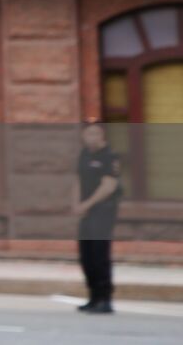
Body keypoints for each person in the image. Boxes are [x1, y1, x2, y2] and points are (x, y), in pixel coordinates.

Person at [75, 120, 121, 315]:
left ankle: (105, 299)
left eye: (95, 133)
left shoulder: (109, 157)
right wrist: (76, 204)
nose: (91, 137)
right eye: (88, 133)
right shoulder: (84, 155)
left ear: (103, 136)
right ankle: (93, 297)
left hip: (102, 211)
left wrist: (87, 204)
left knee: (100, 255)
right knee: (86, 255)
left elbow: (108, 186)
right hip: (86, 212)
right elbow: (77, 180)